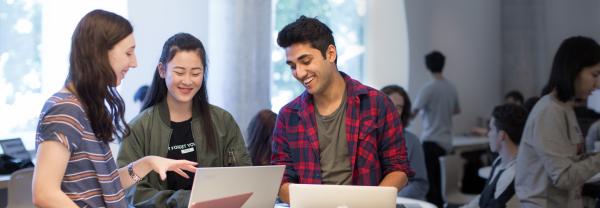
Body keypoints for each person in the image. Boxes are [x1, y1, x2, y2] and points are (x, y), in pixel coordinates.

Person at [32, 10, 197, 207]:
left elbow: (104, 186)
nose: (134, 63)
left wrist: (147, 163)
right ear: (100, 52)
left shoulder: (85, 107)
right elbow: (44, 192)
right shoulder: (65, 108)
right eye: (128, 53)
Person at [271, 16, 413, 204]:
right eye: (292, 66)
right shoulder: (288, 116)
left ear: (330, 54)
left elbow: (398, 168)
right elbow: (282, 179)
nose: (299, 72)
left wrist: (371, 203)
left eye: (305, 61)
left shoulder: (377, 104)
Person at [117, 33, 251, 207]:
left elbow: (244, 177)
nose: (187, 81)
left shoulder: (223, 121)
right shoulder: (138, 128)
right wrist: (185, 201)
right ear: (162, 70)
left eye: (196, 73)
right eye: (179, 72)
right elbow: (131, 192)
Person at [515, 36, 600, 208]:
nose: (597, 85)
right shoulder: (549, 111)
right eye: (594, 75)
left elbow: (569, 161)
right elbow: (563, 177)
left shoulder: (564, 107)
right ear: (574, 69)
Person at [412, 50, 460, 207]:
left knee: (432, 188)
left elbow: (413, 111)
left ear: (427, 67)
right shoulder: (451, 87)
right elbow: (456, 110)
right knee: (441, 186)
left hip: (431, 141)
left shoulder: (429, 88)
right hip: (447, 143)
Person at [461, 104, 528, 208]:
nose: (488, 134)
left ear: (501, 135)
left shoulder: (512, 175)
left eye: (491, 129)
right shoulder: (499, 161)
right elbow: (483, 198)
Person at [381, 85, 429, 200]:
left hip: (402, 201)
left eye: (399, 107)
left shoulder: (413, 141)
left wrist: (390, 198)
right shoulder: (367, 138)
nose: (394, 110)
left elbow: (420, 185)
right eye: (390, 104)